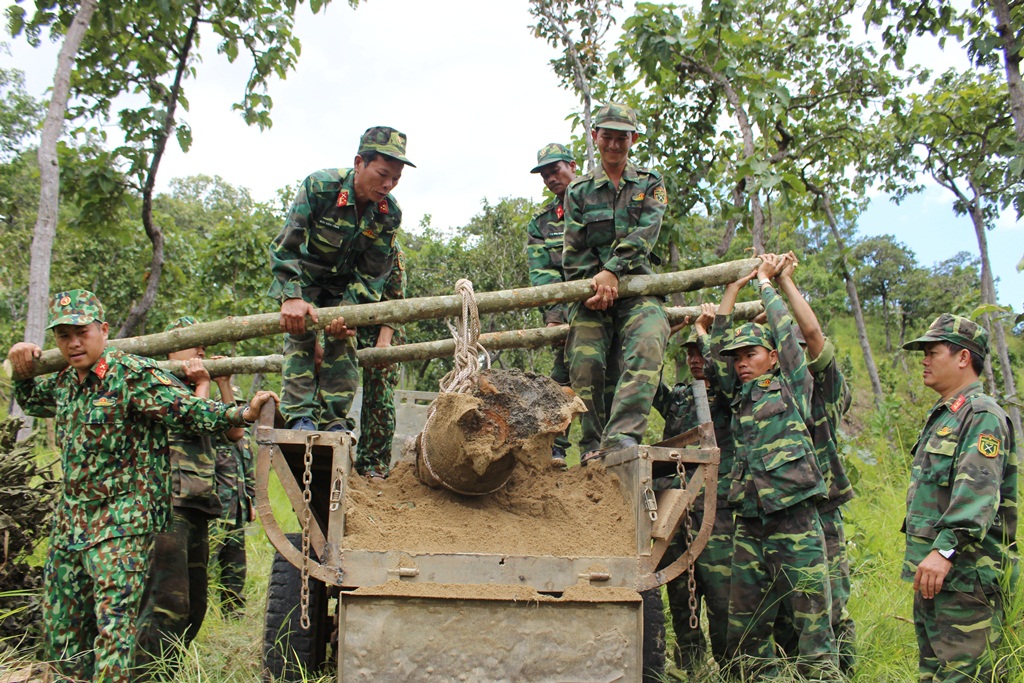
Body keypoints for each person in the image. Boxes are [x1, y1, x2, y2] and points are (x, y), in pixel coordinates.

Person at [7, 290, 275, 683]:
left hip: (122, 525)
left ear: (103, 330)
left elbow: (187, 411)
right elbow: (32, 398)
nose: (73, 343)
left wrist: (241, 411)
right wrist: (21, 362)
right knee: (62, 627)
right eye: (63, 335)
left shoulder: (130, 373)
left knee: (115, 631)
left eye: (81, 332)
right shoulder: (65, 381)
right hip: (71, 526)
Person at [708, 255, 837, 678]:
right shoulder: (737, 397)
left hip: (794, 519)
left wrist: (768, 283)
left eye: (751, 354)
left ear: (774, 358)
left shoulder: (792, 385)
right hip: (749, 523)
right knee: (744, 634)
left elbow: (789, 332)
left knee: (813, 629)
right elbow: (715, 353)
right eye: (737, 357)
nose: (741, 362)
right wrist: (732, 290)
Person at [269, 126, 414, 432]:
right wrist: (292, 296)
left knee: (343, 341)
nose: (388, 184)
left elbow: (372, 273)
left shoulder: (389, 214)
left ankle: (335, 421)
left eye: (396, 178)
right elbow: (287, 245)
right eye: (382, 173)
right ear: (359, 162)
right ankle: (300, 419)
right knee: (300, 337)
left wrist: (349, 312)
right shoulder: (320, 187)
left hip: (346, 289)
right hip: (305, 281)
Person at [901, 313, 1018, 683]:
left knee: (963, 675)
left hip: (965, 576)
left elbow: (977, 494)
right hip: (939, 577)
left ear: (963, 357)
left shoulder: (982, 416)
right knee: (934, 673)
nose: (924, 359)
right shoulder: (947, 414)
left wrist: (944, 550)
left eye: (933, 352)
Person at [562, 103, 670, 460]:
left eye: (621, 138)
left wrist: (614, 270)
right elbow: (574, 251)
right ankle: (592, 443)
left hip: (637, 287)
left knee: (651, 338)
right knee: (584, 359)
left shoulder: (651, 183)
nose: (613, 144)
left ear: (633, 140)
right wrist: (592, 286)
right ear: (595, 137)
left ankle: (623, 437)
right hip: (591, 293)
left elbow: (647, 233)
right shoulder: (578, 191)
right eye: (606, 136)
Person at [135, 316, 240, 672]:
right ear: (171, 348)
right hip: (169, 504)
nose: (200, 349)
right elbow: (192, 418)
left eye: (204, 344)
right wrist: (204, 384)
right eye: (192, 342)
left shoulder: (200, 382)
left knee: (195, 604)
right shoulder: (159, 383)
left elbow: (235, 434)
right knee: (168, 601)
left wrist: (223, 384)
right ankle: (147, 673)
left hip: (198, 504)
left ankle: (167, 670)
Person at [770, 253, 856, 672]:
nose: (795, 359)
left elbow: (812, 332)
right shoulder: (779, 395)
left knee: (832, 605)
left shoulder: (826, 388)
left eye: (799, 354)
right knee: (792, 610)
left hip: (821, 512)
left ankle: (844, 671)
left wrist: (783, 281)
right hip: (787, 514)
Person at [652, 304, 736, 671]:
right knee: (680, 599)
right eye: (689, 353)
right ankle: (691, 670)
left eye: (701, 351)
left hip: (716, 514)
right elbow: (647, 381)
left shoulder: (729, 395)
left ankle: (733, 670)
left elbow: (726, 370)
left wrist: (707, 331)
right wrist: (664, 335)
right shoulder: (682, 396)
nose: (695, 359)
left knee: (722, 600)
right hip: (676, 508)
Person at [527, 142, 578, 468]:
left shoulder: (603, 202)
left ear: (572, 165)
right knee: (562, 380)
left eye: (555, 170)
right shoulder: (542, 224)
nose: (550, 178)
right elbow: (545, 276)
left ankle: (606, 447)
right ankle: (556, 448)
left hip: (612, 304)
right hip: (570, 313)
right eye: (545, 174)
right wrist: (556, 318)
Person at [354, 243, 406, 478]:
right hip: (345, 324)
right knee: (334, 385)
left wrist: (383, 342)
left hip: (383, 328)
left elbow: (396, 297)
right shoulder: (344, 239)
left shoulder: (391, 248)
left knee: (379, 396)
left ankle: (373, 465)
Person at [210, 383, 255, 617]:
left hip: (237, 510)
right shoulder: (213, 432)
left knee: (236, 564)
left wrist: (252, 503)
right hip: (217, 510)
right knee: (209, 561)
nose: (236, 408)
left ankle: (233, 610)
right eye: (231, 403)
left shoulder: (244, 438)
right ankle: (205, 609)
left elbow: (249, 473)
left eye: (239, 404)